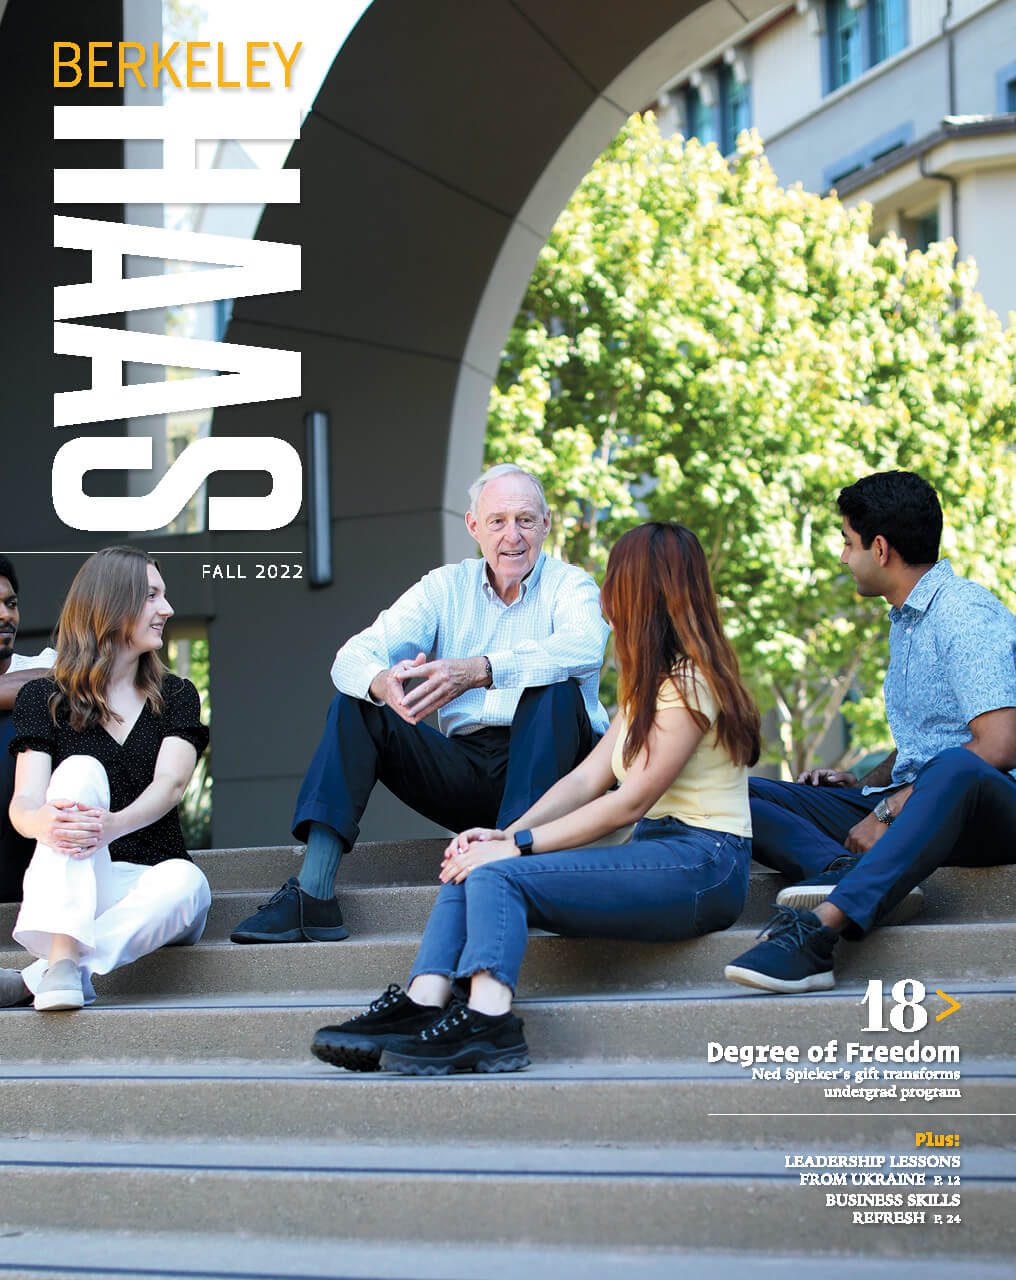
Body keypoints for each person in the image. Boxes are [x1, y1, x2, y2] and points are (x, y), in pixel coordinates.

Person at [310, 521, 762, 1075]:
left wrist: (518, 846)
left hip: (705, 864)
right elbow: (584, 782)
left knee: (499, 872)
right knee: (475, 865)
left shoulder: (692, 683)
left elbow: (627, 803)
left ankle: (491, 1023)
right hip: (662, 854)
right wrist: (499, 836)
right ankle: (423, 1001)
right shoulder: (651, 683)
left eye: (615, 585)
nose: (605, 602)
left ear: (644, 593)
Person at [231, 464, 610, 945]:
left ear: (546, 524)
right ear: (473, 527)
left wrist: (480, 669)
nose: (512, 536)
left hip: (556, 769)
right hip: (470, 768)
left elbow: (583, 649)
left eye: (525, 520)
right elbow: (351, 657)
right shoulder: (444, 588)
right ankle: (313, 894)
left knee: (554, 689)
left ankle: (512, 871)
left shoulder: (571, 585)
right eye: (497, 521)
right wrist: (383, 682)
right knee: (357, 703)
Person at [725, 471, 1016, 994]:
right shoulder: (905, 619)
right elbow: (923, 744)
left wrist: (884, 811)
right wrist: (862, 782)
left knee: (956, 766)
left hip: (988, 810)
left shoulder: (964, 614)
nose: (842, 556)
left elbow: (997, 746)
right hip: (917, 802)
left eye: (846, 542)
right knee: (726, 790)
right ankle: (839, 867)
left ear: (879, 548)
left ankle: (816, 937)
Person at [0, 547, 211, 1012]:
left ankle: (50, 973)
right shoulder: (44, 698)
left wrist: (110, 825)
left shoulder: (175, 694)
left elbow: (171, 785)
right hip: (78, 883)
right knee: (78, 771)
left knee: (189, 882)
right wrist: (46, 825)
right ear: (113, 604)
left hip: (153, 888)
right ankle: (60, 958)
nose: (167, 610)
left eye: (165, 596)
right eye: (152, 596)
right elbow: (25, 802)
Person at [1, 555, 58, 904]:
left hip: (25, 851)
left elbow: (57, 683)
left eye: (11, 603)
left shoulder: (44, 664)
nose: (6, 615)